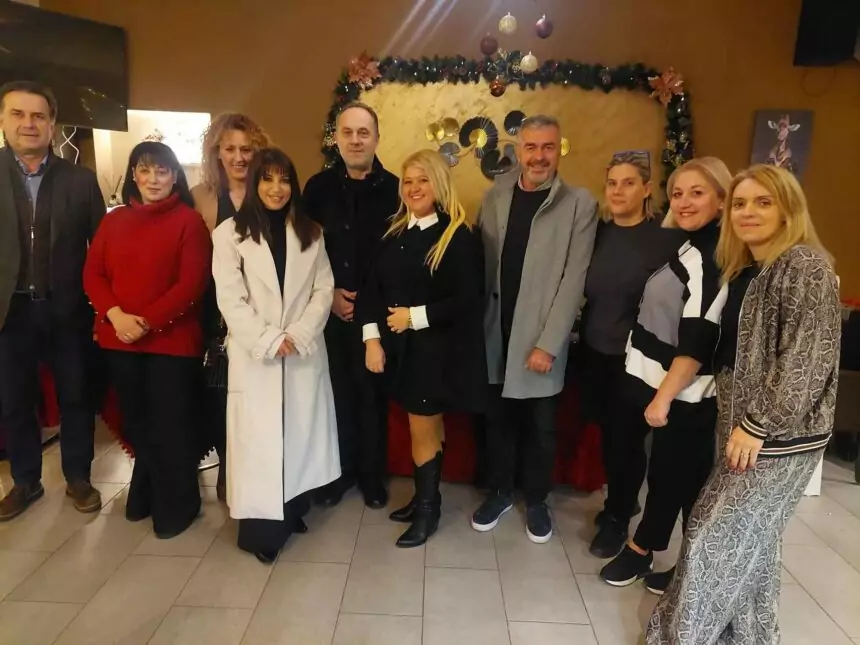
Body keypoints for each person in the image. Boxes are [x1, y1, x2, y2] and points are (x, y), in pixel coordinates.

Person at [646, 165, 841, 644]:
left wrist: (758, 425)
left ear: (788, 210)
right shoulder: (747, 269)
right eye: (739, 203)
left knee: (711, 538)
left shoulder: (805, 266)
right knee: (753, 545)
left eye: (763, 202)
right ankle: (751, 637)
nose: (747, 212)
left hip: (777, 438)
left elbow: (806, 361)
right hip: (740, 428)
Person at [600, 157, 731, 593]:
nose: (684, 201)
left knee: (676, 476)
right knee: (678, 475)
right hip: (655, 379)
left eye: (697, 192)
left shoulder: (712, 258)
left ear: (721, 199)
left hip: (682, 391)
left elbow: (697, 338)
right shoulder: (691, 244)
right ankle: (685, 564)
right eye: (678, 193)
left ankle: (647, 552)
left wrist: (663, 397)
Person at [471, 115, 598, 544]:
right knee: (497, 423)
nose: (539, 156)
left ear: (558, 150)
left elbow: (574, 279)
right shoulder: (495, 196)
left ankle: (538, 499)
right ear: (518, 150)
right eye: (531, 147)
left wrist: (549, 343)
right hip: (495, 331)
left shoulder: (579, 204)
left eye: (548, 147)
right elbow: (479, 263)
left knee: (541, 429)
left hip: (541, 337)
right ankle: (500, 492)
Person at [212, 147, 340, 563]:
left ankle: (292, 510)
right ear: (254, 183)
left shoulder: (311, 232)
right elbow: (230, 300)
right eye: (267, 179)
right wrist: (269, 339)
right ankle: (262, 532)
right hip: (257, 357)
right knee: (260, 444)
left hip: (301, 351)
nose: (276, 188)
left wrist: (299, 334)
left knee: (297, 434)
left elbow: (324, 289)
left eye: (284, 179)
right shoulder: (229, 235)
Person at [358, 149, 486, 548]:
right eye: (408, 181)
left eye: (423, 180)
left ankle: (428, 512)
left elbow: (468, 299)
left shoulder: (457, 235)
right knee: (424, 429)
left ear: (439, 183)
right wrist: (372, 338)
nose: (414, 188)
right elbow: (371, 289)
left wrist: (413, 317)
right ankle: (423, 499)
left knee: (424, 430)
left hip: (435, 354)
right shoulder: (393, 232)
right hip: (400, 352)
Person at [84, 141, 211, 538]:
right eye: (145, 170)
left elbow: (191, 284)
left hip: (171, 343)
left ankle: (178, 505)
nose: (153, 179)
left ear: (175, 176)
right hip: (120, 339)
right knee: (136, 422)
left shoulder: (189, 222)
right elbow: (93, 274)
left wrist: (146, 322)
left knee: (170, 426)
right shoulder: (114, 221)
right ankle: (145, 490)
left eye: (162, 171)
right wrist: (116, 315)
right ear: (133, 175)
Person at [0, 81, 105, 521]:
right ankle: (25, 481)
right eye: (18, 114)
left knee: (75, 395)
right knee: (13, 399)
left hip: (67, 308)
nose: (29, 124)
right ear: (3, 120)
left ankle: (78, 476)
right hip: (8, 311)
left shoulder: (80, 180)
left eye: (38, 116)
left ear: (52, 124)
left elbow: (102, 249)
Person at [581, 150, 685, 559]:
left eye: (628, 183)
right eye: (612, 183)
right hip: (595, 351)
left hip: (636, 360)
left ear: (646, 189)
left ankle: (618, 515)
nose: (618, 191)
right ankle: (621, 501)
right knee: (608, 437)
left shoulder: (665, 239)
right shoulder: (597, 234)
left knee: (625, 442)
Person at [304, 102, 400, 509]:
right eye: (348, 132)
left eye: (364, 132)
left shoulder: (397, 189)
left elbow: (400, 256)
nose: (356, 140)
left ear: (376, 138)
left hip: (379, 315)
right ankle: (339, 474)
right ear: (337, 138)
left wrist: (369, 307)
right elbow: (303, 252)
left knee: (373, 398)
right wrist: (329, 297)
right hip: (330, 312)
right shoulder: (316, 189)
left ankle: (372, 477)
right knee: (336, 396)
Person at [192, 113, 271, 502]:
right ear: (216, 152)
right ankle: (228, 471)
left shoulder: (271, 191)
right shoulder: (201, 197)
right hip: (216, 314)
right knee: (223, 399)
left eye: (247, 149)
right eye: (230, 149)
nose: (239, 157)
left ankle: (260, 474)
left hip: (264, 311)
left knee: (260, 398)